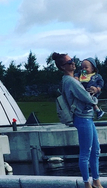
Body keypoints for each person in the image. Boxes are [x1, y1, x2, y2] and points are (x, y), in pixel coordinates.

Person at [52, 52, 102, 188]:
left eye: (73, 60)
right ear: (63, 67)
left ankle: (96, 181)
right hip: (82, 118)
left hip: (87, 117)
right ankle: (87, 184)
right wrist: (95, 97)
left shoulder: (73, 79)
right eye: (69, 62)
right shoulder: (69, 81)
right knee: (86, 152)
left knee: (95, 151)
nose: (73, 63)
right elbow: (86, 97)